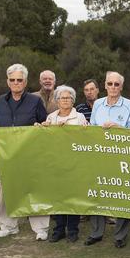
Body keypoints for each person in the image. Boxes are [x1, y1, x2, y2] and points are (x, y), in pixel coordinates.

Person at [0, 63, 50, 240]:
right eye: (13, 80)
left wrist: (39, 127)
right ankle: (9, 226)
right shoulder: (1, 101)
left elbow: (44, 124)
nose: (16, 83)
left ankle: (41, 228)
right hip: (7, 155)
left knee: (34, 188)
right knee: (6, 189)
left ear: (25, 82)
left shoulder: (35, 101)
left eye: (19, 80)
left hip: (30, 154)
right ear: (8, 82)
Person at [85, 71, 130, 248]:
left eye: (116, 84)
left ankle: (120, 235)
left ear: (121, 86)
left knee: (122, 195)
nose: (113, 87)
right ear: (105, 85)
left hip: (122, 157)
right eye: (110, 84)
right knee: (97, 193)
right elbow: (92, 128)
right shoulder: (98, 104)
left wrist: (118, 128)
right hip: (100, 156)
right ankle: (96, 232)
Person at [41, 85, 88, 243]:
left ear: (73, 100)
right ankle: (59, 229)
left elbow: (85, 137)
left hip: (74, 163)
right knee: (58, 198)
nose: (65, 100)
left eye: (68, 98)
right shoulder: (51, 117)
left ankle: (73, 230)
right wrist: (43, 129)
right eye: (62, 98)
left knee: (73, 197)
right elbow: (45, 139)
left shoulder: (79, 117)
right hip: (56, 163)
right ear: (57, 100)